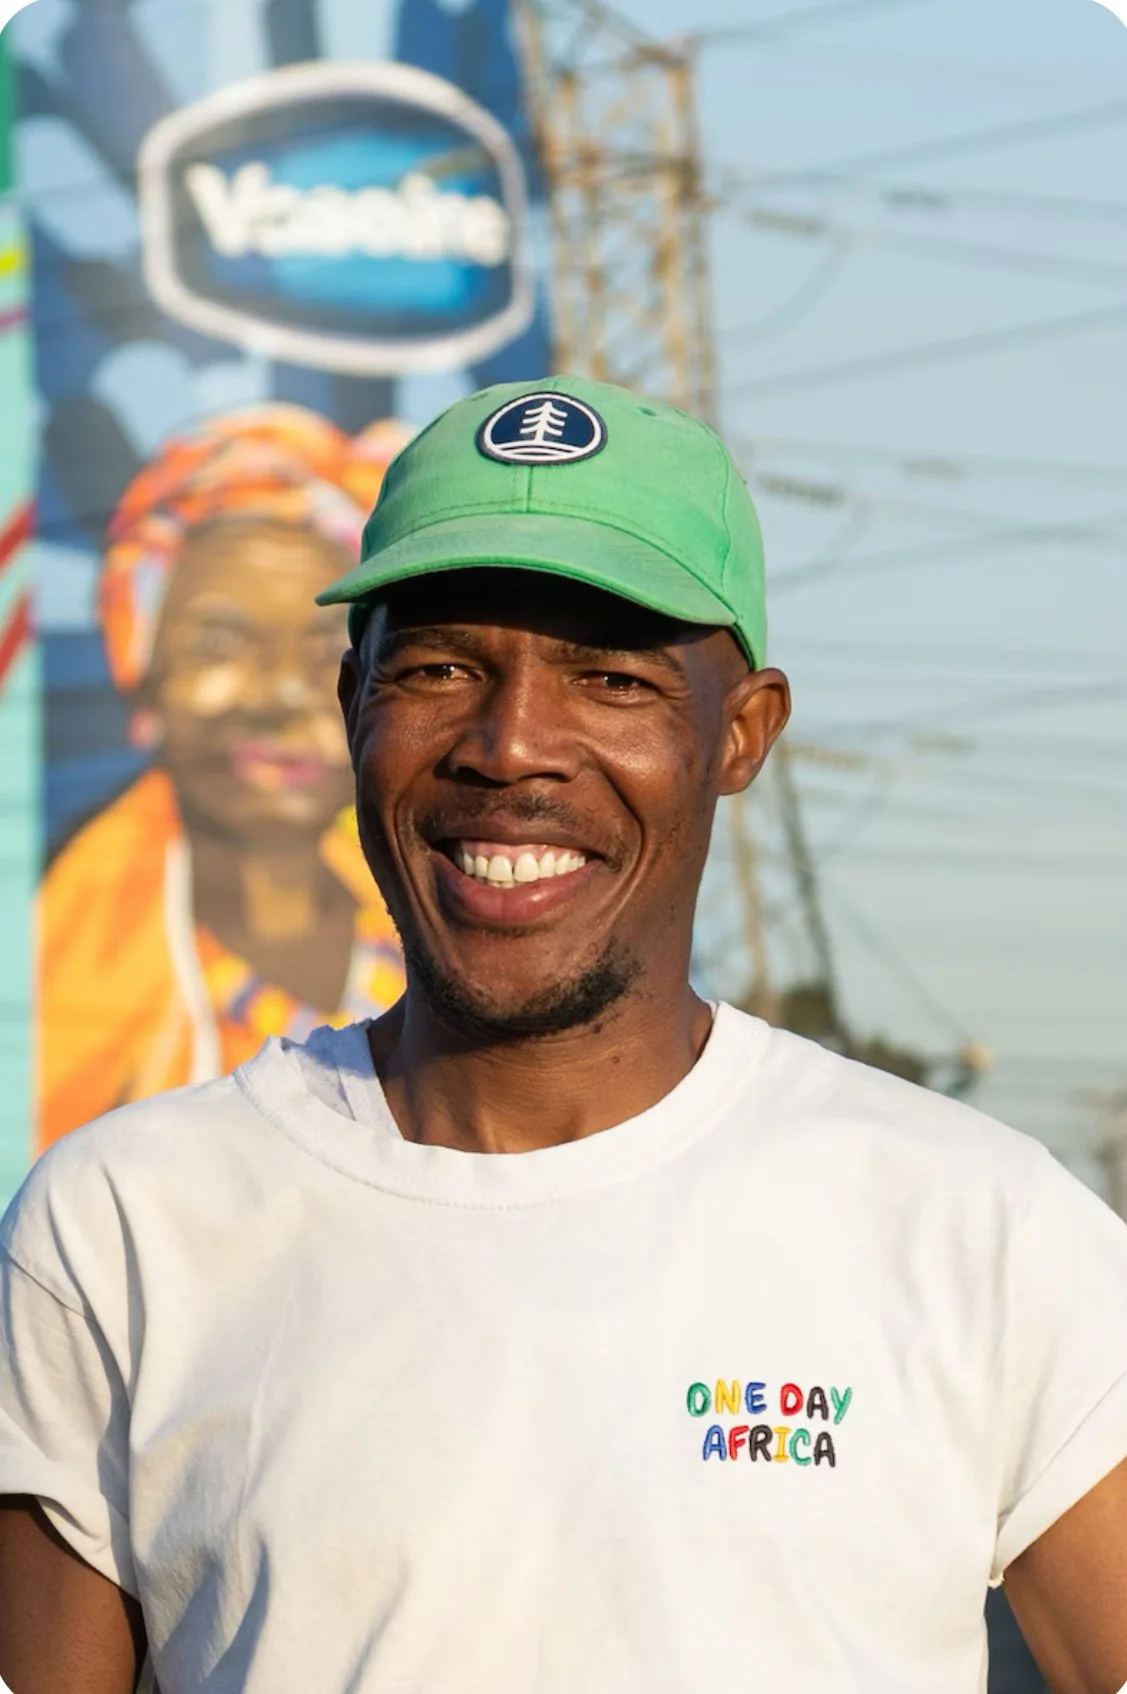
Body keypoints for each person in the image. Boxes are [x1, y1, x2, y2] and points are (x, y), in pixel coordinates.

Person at [3, 375, 1127, 1694]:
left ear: (742, 733)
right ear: (351, 701)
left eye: (608, 677)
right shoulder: (123, 1223)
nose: (510, 745)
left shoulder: (977, 1227)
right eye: (438, 668)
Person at [38, 405, 409, 1149]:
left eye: (321, 653)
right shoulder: (54, 959)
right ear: (145, 677)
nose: (278, 695)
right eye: (219, 646)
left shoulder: (445, 926)